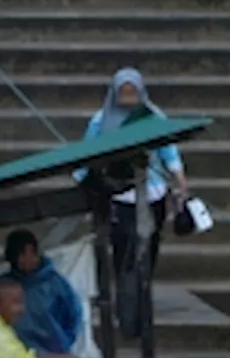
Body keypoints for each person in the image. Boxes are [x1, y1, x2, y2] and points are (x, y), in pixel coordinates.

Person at [74, 68, 187, 332]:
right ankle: (127, 315)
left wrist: (180, 180)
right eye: (123, 92)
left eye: (132, 92)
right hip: (118, 198)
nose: (128, 97)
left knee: (148, 253)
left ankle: (141, 311)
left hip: (152, 195)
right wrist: (84, 181)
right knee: (124, 255)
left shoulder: (153, 118)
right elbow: (86, 155)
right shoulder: (100, 122)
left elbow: (169, 153)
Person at [0, 229, 83, 358]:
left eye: (29, 253)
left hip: (54, 352)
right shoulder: (4, 284)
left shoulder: (54, 283)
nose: (26, 260)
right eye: (20, 255)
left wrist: (63, 342)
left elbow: (74, 315)